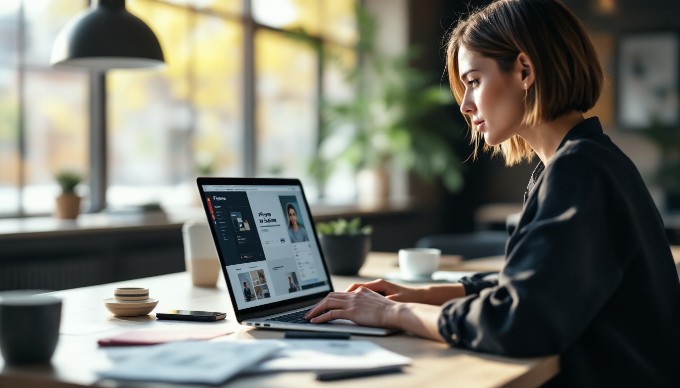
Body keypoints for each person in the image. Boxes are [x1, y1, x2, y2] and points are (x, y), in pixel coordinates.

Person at [304, 1, 680, 386]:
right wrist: (421, 295)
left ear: (524, 70)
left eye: (474, 81)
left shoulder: (579, 170)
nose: (465, 106)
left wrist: (390, 314)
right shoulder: (584, 160)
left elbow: (516, 323)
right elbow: (535, 287)